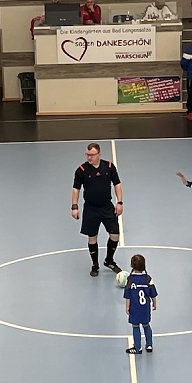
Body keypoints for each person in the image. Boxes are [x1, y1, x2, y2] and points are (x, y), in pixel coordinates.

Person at [71, 142, 124, 278]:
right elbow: (76, 189)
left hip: (107, 207)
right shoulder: (81, 170)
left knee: (115, 234)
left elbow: (117, 184)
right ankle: (95, 265)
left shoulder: (109, 167)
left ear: (99, 154)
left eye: (92, 155)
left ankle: (109, 260)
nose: (89, 157)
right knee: (92, 237)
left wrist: (119, 202)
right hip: (91, 209)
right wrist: (74, 206)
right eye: (87, 155)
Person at [123, 254, 157, 355]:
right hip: (145, 308)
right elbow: (153, 293)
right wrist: (154, 302)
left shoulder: (130, 279)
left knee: (135, 327)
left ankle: (138, 348)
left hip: (135, 307)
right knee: (146, 325)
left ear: (132, 266)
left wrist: (127, 307)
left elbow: (128, 295)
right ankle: (149, 345)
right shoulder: (148, 278)